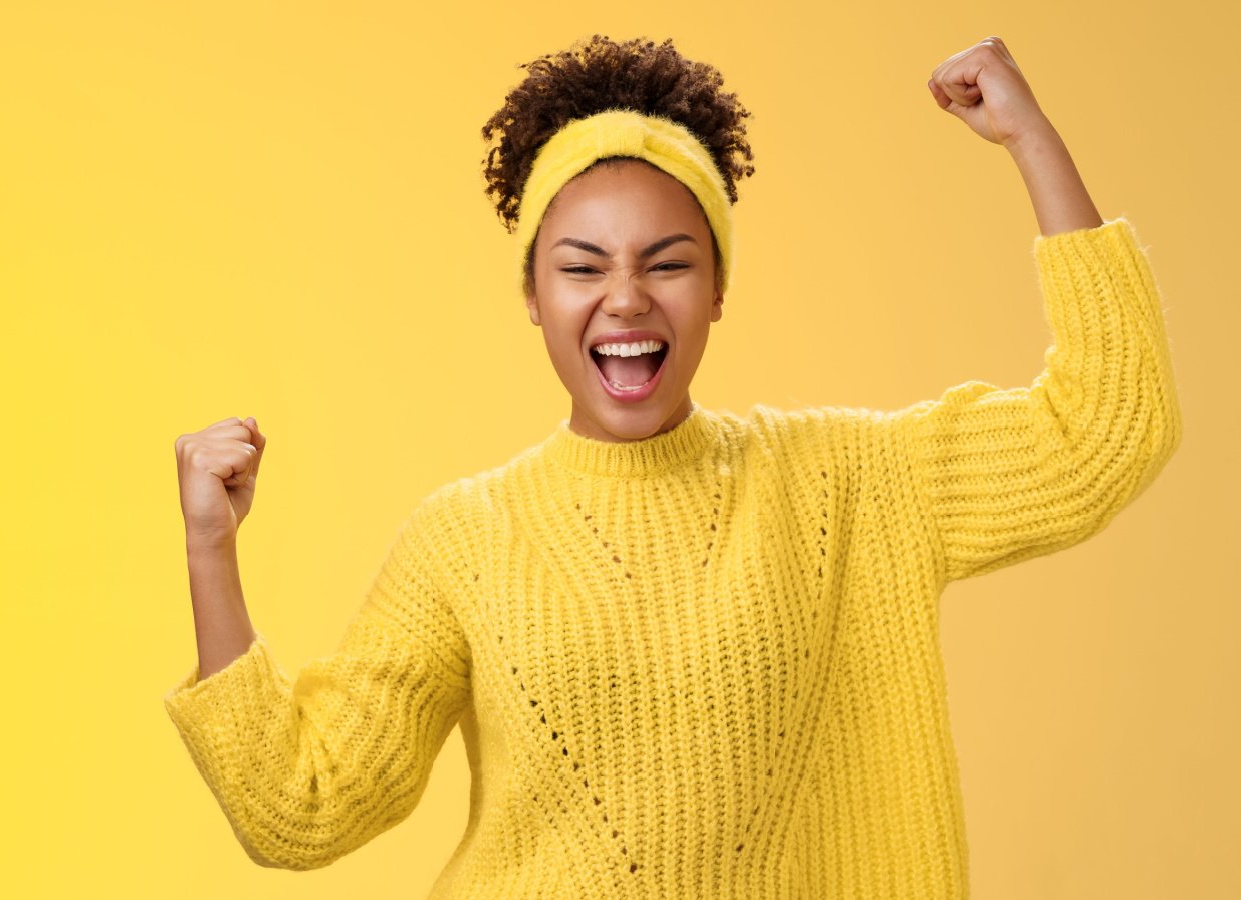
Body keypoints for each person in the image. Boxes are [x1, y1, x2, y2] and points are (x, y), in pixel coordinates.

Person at [164, 33, 1183, 898]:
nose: (624, 301)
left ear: (718, 287)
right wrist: (211, 546)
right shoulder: (464, 540)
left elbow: (1103, 430)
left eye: (667, 262)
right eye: (580, 267)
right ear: (532, 295)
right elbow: (300, 810)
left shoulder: (854, 482)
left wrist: (1029, 140)